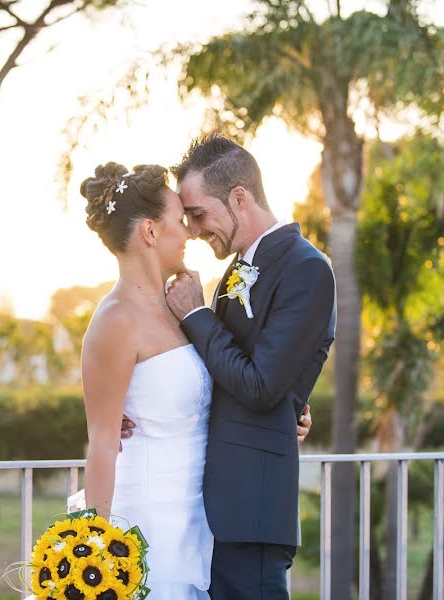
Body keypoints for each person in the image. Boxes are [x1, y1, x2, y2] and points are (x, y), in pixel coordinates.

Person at [78, 159, 317, 600]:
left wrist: (287, 413)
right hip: (147, 521)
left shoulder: (181, 307)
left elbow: (236, 379)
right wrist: (95, 544)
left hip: (200, 520)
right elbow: (101, 442)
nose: (190, 231)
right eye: (178, 219)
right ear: (150, 232)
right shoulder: (115, 320)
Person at [152, 133, 337, 600]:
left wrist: (196, 315)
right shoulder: (236, 270)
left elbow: (259, 386)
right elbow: (238, 371)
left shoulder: (306, 268)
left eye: (198, 214)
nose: (193, 230)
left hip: (251, 508)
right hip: (218, 504)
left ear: (239, 197)